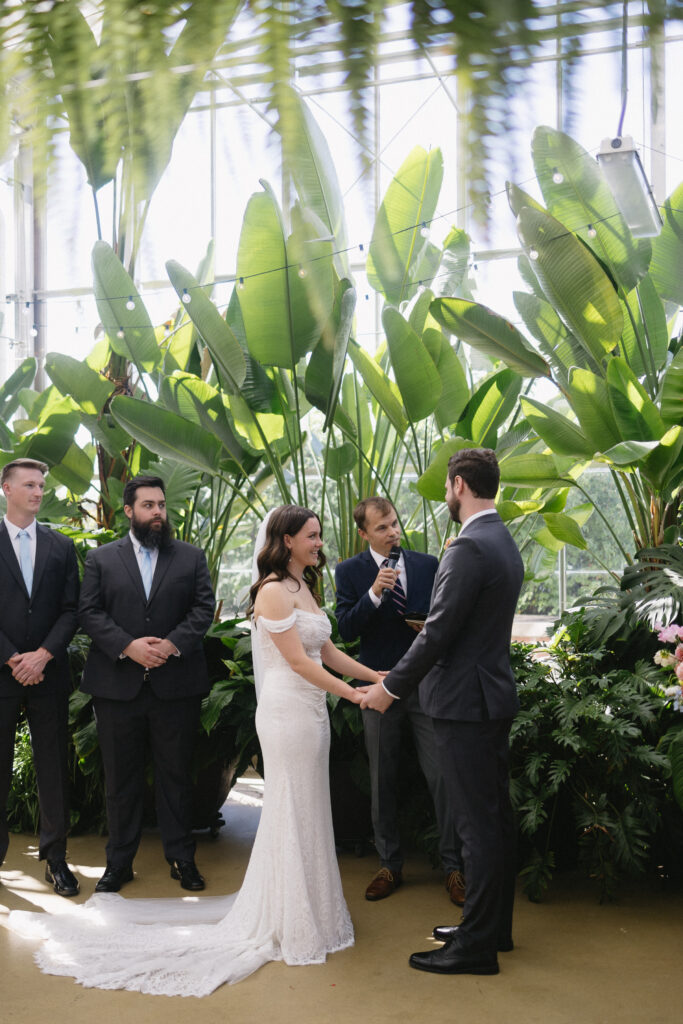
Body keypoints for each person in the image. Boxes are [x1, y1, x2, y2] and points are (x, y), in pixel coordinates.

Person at [10, 504, 384, 995]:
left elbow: (327, 651)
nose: (319, 543)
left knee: (310, 808)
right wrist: (356, 695)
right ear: (286, 540)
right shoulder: (273, 592)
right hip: (288, 715)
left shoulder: (304, 589)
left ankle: (309, 907)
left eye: (319, 535)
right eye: (311, 536)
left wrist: (377, 676)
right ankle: (287, 915)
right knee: (291, 809)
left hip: (312, 716)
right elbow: (296, 661)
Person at [360, 449, 524, 976]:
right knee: (493, 821)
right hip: (489, 698)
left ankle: (475, 947)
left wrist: (391, 689)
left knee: (477, 828)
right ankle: (491, 927)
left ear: (458, 485)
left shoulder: (469, 547)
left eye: (448, 489)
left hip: (462, 705)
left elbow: (438, 631)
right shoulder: (502, 540)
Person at [78, 475, 215, 893]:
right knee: (120, 780)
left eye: (161, 505)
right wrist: (128, 646)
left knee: (175, 776)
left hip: (176, 686)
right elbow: (89, 611)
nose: (158, 512)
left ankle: (182, 859)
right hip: (117, 687)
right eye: (148, 505)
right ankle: (119, 864)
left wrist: (171, 645)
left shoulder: (191, 557)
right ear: (129, 511)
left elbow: (203, 607)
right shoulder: (101, 559)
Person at [335, 497, 464, 904]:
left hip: (427, 685)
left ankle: (454, 867)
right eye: (382, 528)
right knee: (382, 779)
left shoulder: (428, 563)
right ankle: (389, 865)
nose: (392, 532)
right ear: (363, 534)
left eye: (394, 524)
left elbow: (447, 617)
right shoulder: (350, 571)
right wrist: (373, 595)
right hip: (378, 686)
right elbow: (347, 629)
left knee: (442, 775)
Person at [0, 458, 80, 897]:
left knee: (52, 770)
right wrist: (13, 658)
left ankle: (56, 860)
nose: (37, 492)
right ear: (6, 488)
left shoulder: (61, 546)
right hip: (3, 671)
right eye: (29, 484)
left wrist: (43, 655)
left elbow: (72, 609)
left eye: (41, 485)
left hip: (48, 673)